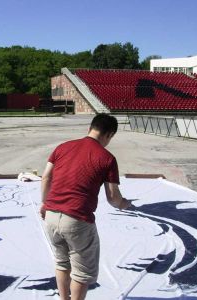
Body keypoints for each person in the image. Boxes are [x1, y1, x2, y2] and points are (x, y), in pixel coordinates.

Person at [40, 113, 133, 300]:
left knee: (62, 263)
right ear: (109, 135)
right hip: (77, 220)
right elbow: (113, 197)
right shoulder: (107, 158)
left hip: (51, 216)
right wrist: (126, 205)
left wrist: (45, 203)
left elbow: (46, 177)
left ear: (90, 128)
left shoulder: (62, 147)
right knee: (81, 273)